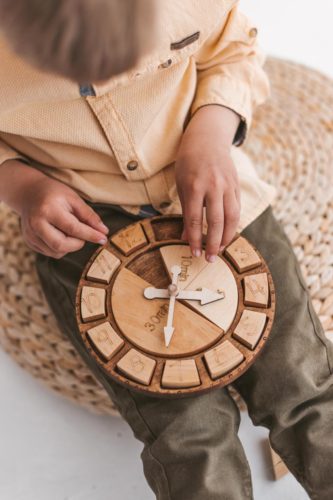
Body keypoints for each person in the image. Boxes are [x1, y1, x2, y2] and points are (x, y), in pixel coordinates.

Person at [0, 1, 332, 498]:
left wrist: (211, 133)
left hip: (206, 181)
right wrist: (22, 187)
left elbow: (233, 49)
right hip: (84, 220)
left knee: (303, 387)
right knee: (188, 437)